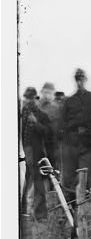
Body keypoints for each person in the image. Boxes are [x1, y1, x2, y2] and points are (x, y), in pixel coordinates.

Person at [60, 69, 91, 207]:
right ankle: (72, 209)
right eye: (77, 79)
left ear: (85, 80)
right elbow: (63, 122)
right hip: (71, 143)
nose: (79, 81)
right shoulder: (69, 101)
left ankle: (81, 208)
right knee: (69, 178)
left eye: (81, 79)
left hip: (87, 144)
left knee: (86, 178)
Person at [20, 87, 54, 220]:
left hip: (37, 153)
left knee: (37, 182)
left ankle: (39, 214)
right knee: (29, 181)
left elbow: (48, 133)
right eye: (27, 98)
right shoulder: (23, 113)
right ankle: (26, 211)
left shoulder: (42, 115)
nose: (28, 101)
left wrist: (36, 123)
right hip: (27, 152)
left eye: (31, 98)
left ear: (36, 99)